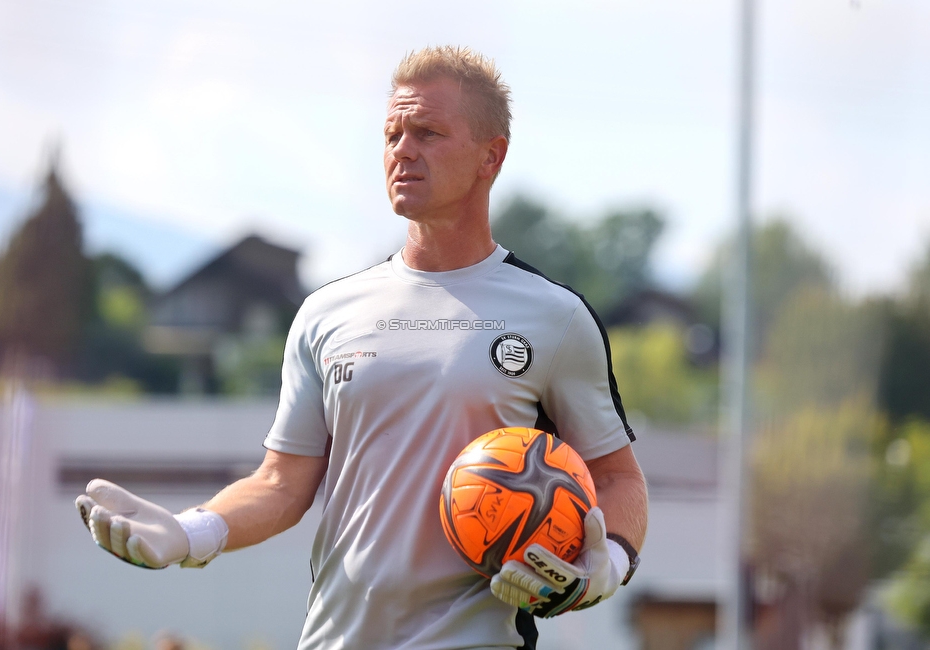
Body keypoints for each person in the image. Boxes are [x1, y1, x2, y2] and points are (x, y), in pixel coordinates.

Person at [75, 46, 648, 650]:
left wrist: (601, 567)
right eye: (392, 133)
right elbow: (280, 485)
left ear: (491, 156)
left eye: (427, 131)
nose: (403, 149)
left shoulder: (554, 317)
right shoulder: (327, 313)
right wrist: (190, 534)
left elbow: (617, 479)